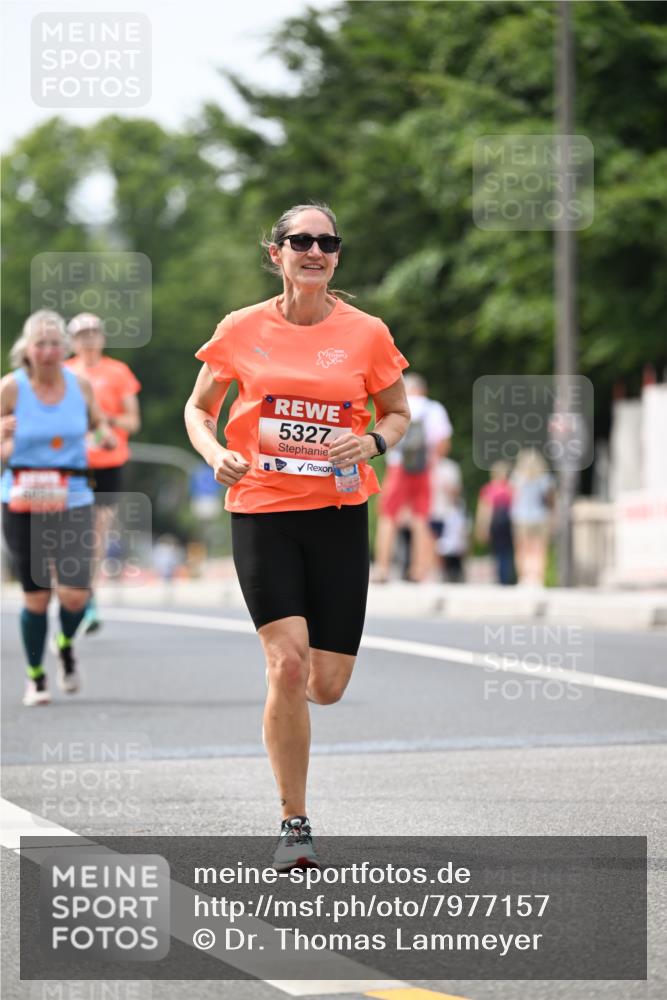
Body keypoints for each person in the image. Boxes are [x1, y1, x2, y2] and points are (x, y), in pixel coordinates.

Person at [184, 202, 410, 870]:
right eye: (300, 241)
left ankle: (298, 707)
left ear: (336, 254)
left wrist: (370, 440)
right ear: (275, 252)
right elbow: (200, 408)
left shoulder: (366, 333)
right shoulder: (240, 328)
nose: (314, 250)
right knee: (285, 663)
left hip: (338, 514)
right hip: (261, 509)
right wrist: (211, 453)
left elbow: (397, 413)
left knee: (325, 683)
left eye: (327, 241)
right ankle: (294, 823)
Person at [1, 310, 115, 705]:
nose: (48, 350)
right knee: (36, 597)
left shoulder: (79, 385)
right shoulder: (10, 390)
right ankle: (35, 677)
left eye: (54, 343)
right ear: (27, 350)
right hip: (22, 497)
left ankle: (64, 645)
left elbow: (99, 423)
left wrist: (104, 438)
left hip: (73, 497)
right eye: (40, 343)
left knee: (75, 597)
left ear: (62, 349)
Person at [64, 313, 141, 633]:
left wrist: (103, 420)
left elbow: (132, 422)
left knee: (96, 533)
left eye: (94, 332)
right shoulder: (63, 372)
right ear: (72, 341)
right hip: (70, 461)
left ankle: (89, 597)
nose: (89, 339)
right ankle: (72, 592)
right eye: (82, 334)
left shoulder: (118, 372)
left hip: (108, 461)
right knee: (69, 534)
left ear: (102, 338)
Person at [373, 373, 452, 582]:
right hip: (423, 468)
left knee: (388, 516)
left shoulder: (398, 406)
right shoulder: (433, 409)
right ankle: (419, 571)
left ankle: (382, 568)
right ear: (423, 390)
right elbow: (443, 442)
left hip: (398, 466)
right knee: (421, 517)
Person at [510, 448, 554, 585]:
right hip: (540, 516)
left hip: (521, 517)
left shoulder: (516, 477)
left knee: (522, 548)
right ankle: (537, 577)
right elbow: (550, 500)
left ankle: (524, 577)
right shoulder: (545, 478)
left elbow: (513, 497)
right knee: (539, 549)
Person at [475, 461, 515, 585]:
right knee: (507, 553)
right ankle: (506, 578)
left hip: (495, 523)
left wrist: (482, 527)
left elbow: (485, 510)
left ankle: (500, 579)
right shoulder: (510, 488)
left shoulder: (489, 489)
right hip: (508, 524)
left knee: (497, 552)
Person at [430, 456, 466, 582]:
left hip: (447, 513)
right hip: (432, 511)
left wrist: (449, 490)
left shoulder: (451, 467)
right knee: (433, 544)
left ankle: (448, 573)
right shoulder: (427, 466)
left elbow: (457, 491)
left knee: (450, 546)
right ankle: (437, 572)